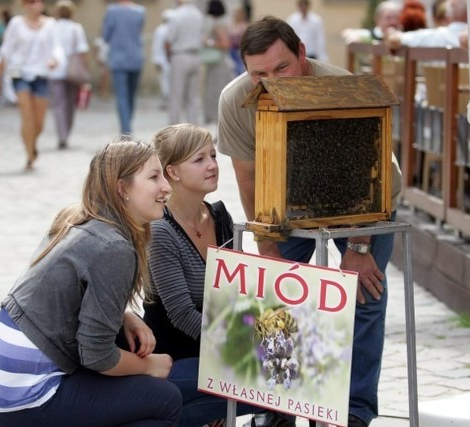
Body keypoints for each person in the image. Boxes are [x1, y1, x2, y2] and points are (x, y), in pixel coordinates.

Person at [216, 16, 403, 427]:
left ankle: (352, 412)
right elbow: (248, 179)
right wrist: (268, 248)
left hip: (363, 197)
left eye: (281, 68)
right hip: (283, 204)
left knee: (364, 295)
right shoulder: (235, 100)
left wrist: (358, 249)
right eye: (258, 74)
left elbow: (377, 178)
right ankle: (279, 407)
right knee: (278, 296)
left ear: (302, 54)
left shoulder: (343, 88)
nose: (272, 81)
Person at [0, 139, 182, 426]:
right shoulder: (115, 248)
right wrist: (149, 366)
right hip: (20, 397)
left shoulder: (76, 218)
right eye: (154, 177)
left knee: (124, 343)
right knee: (165, 398)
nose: (166, 186)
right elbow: (97, 356)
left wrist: (125, 316)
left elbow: (70, 300)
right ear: (122, 188)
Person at [143, 123, 264, 426]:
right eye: (199, 160)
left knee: (293, 369)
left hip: (216, 347)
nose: (212, 165)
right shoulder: (161, 230)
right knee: (271, 376)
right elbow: (182, 315)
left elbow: (239, 293)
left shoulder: (220, 216)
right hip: (174, 357)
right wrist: (243, 347)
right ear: (172, 172)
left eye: (213, 155)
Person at [0, 0, 63, 171]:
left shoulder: (50, 24)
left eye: (37, 1)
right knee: (27, 115)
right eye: (30, 2)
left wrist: (55, 59)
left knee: (39, 122)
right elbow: (6, 51)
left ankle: (32, 143)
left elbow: (57, 48)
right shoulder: (16, 24)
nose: (34, 5)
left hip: (40, 74)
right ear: (25, 5)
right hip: (19, 73)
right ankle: (29, 155)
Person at [48, 0, 89, 150]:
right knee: (70, 104)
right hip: (73, 70)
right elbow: (82, 50)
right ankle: (66, 133)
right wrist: (85, 68)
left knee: (59, 104)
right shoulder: (76, 28)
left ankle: (62, 135)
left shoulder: (51, 27)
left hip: (55, 70)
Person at [102, 0, 145, 135]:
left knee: (122, 96)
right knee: (131, 96)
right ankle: (127, 125)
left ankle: (126, 130)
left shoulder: (112, 11)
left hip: (118, 59)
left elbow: (105, 35)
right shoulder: (140, 11)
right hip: (136, 57)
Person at [166, 0, 204, 125]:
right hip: (195, 55)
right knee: (193, 97)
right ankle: (194, 127)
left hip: (180, 55)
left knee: (176, 95)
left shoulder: (176, 15)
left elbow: (169, 40)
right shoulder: (198, 14)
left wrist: (168, 56)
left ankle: (173, 126)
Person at [384, 0, 470, 49]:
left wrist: (391, 32)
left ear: (448, 17)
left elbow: (395, 39)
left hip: (436, 83)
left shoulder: (434, 36)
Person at [202, 0, 234, 124]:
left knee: (217, 89)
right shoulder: (221, 22)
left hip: (219, 62)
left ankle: (217, 117)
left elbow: (225, 44)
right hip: (218, 62)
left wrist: (208, 42)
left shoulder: (217, 24)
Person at [152, 9, 174, 110]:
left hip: (159, 60)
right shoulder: (168, 30)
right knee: (166, 83)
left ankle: (166, 102)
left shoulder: (159, 29)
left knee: (164, 82)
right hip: (166, 60)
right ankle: (168, 102)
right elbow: (167, 46)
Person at [228, 6, 249, 76]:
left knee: (239, 68)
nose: (235, 16)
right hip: (232, 50)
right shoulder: (232, 25)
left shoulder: (244, 26)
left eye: (237, 14)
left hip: (239, 50)